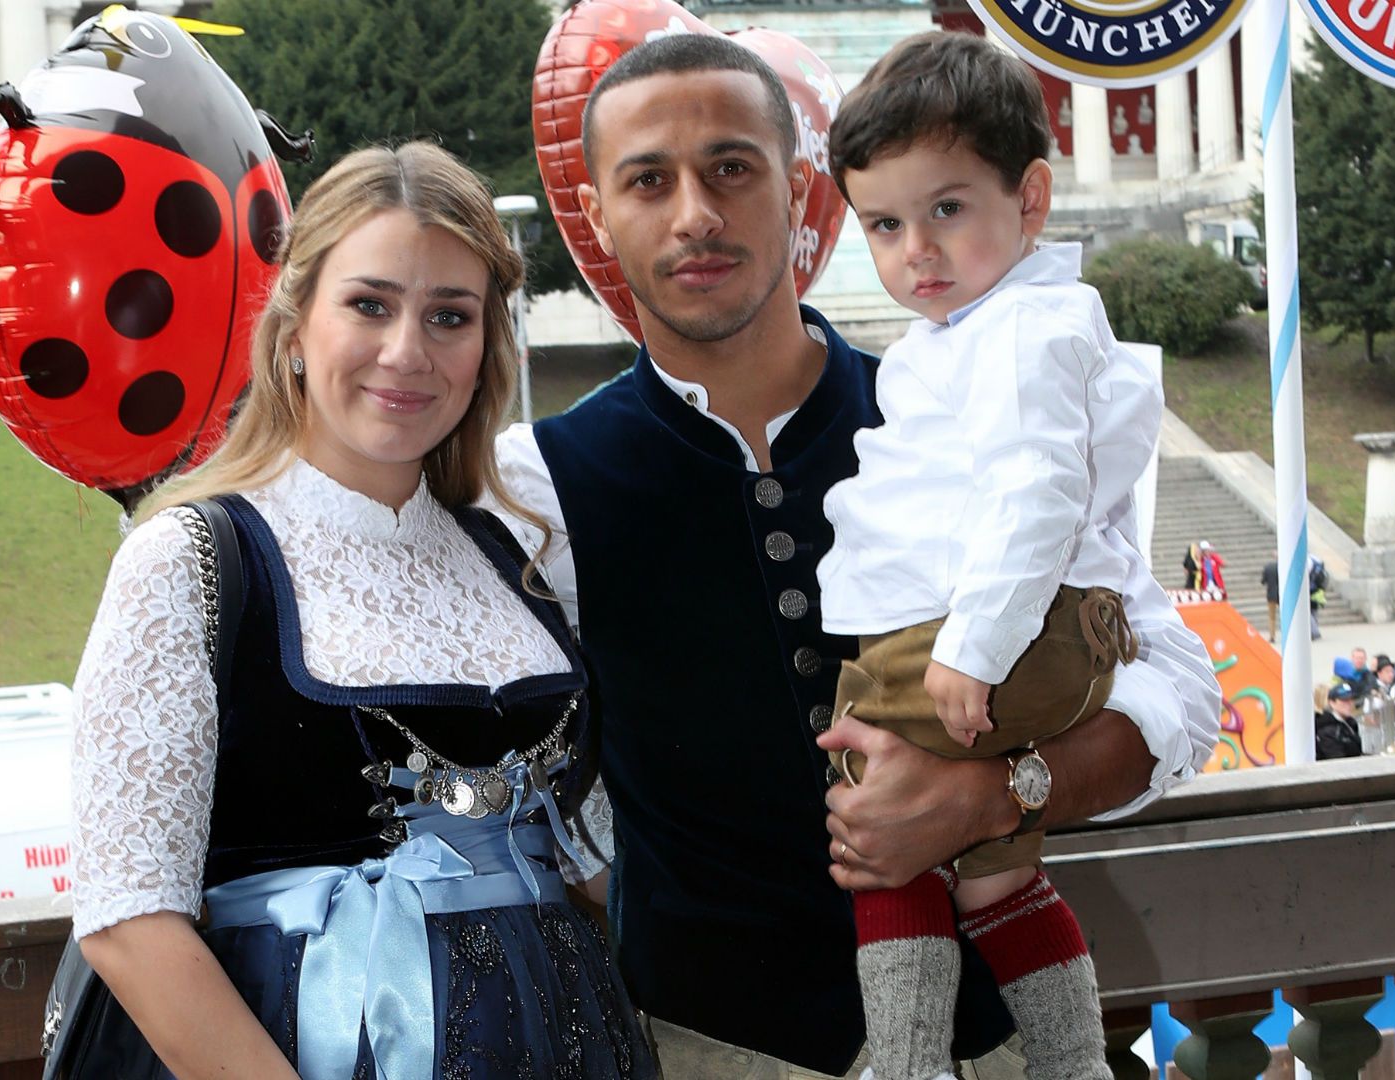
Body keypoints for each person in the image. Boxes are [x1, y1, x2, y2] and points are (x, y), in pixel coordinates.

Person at [491, 32, 1221, 1080]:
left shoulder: (972, 406)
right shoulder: (540, 484)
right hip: (713, 1051)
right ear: (598, 216)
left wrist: (999, 795)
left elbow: (1183, 696)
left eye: (731, 169)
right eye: (649, 180)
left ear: (799, 194)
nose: (694, 212)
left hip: (994, 1050)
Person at [69, 143, 655, 1079]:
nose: (407, 352)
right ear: (295, 323)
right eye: (370, 304)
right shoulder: (191, 560)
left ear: (485, 346)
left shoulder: (515, 553)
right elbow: (130, 923)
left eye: (449, 316)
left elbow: (590, 862)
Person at [815, 31, 1157, 1080]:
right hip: (1038, 633)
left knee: (869, 792)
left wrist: (972, 645)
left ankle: (909, 1059)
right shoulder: (986, 327)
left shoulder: (1015, 330)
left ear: (1033, 199)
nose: (916, 249)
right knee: (992, 878)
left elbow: (1036, 491)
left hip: (999, 638)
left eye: (947, 209)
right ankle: (1070, 1058)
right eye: (884, 224)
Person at [1314, 683, 1364, 760]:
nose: (1350, 703)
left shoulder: (1350, 724)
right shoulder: (1326, 729)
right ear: (1332, 703)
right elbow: (1337, 760)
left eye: (1351, 699)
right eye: (1345, 700)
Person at [1260, 561, 1279, 643]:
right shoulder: (1280, 567)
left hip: (1271, 594)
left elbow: (1263, 581)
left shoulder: (1267, 568)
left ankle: (1272, 636)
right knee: (1286, 615)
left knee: (1272, 617)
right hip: (1281, 594)